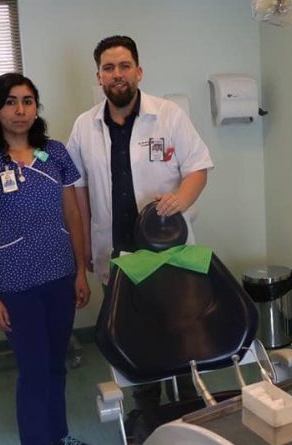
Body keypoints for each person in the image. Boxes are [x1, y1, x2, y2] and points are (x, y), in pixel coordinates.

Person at [66, 35, 214, 441]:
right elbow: (78, 191)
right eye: (109, 68)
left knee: (182, 337)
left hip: (170, 253)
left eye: (125, 66)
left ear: (139, 71)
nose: (117, 74)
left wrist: (180, 200)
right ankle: (148, 420)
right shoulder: (84, 126)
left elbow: (198, 168)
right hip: (118, 255)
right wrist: (84, 250)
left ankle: (190, 420)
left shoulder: (168, 115)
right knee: (135, 341)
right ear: (99, 76)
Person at [0, 73, 91, 445]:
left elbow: (73, 214)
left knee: (56, 366)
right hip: (15, 285)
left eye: (28, 101)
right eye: (10, 102)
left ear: (36, 108)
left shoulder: (55, 153)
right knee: (34, 372)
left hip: (60, 276)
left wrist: (80, 272)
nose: (20, 110)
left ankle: (59, 436)